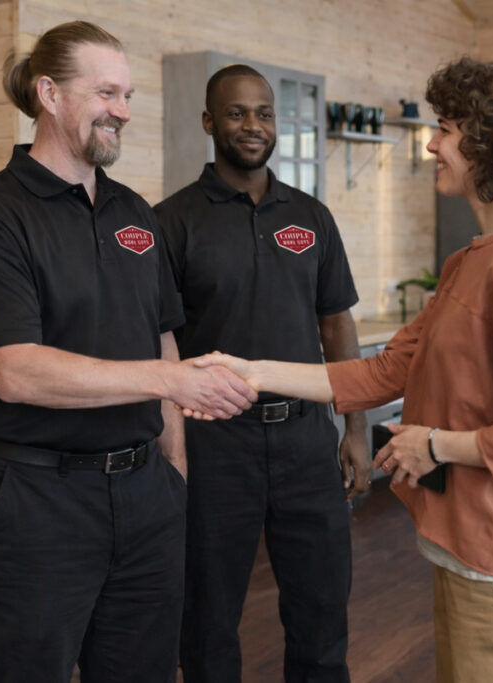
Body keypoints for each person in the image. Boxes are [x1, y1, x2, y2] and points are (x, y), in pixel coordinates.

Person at [196, 56, 493, 682]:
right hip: (466, 546)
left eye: (447, 129)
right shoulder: (470, 261)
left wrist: (435, 444)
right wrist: (255, 372)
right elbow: (382, 373)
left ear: (491, 145)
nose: (432, 143)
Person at [0, 22, 256, 683]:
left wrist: (175, 477)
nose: (123, 110)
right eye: (106, 91)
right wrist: (171, 379)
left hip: (145, 495)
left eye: (130, 94)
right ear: (48, 92)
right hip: (35, 499)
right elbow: (14, 371)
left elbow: (162, 335)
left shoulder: (135, 214)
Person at [153, 64, 370, 682]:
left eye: (264, 113)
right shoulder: (171, 221)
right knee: (208, 615)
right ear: (208, 122)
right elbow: (159, 348)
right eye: (237, 113)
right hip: (216, 444)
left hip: (307, 439)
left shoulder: (311, 216)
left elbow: (337, 327)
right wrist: (171, 449)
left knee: (323, 608)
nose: (253, 126)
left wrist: (355, 430)